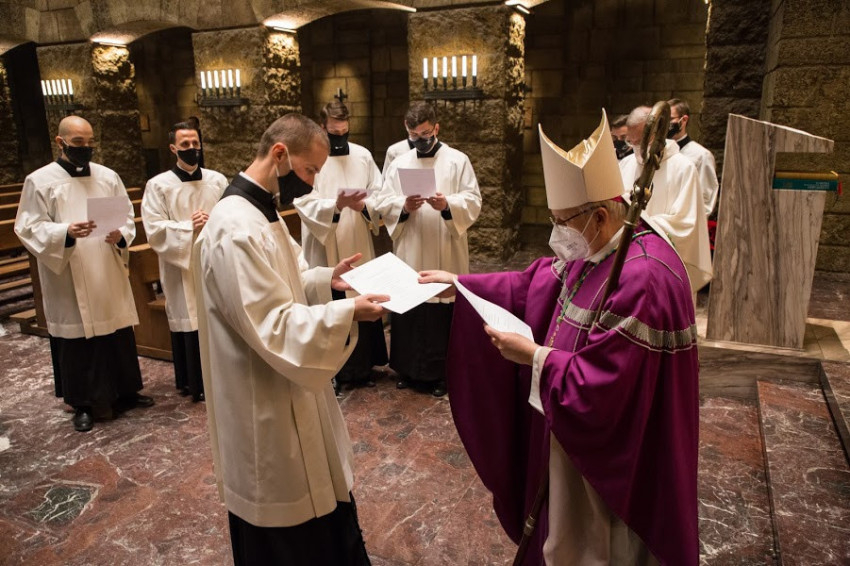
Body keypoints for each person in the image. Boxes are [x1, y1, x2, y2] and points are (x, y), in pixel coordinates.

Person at [419, 110, 699, 565]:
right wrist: (461, 284)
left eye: (561, 221)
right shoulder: (596, 247)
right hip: (565, 442)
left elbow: (611, 390)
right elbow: (533, 284)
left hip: (609, 470)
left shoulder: (644, 278)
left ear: (601, 215)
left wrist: (535, 358)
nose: (556, 233)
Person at [193, 113, 388, 565]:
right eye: (309, 169)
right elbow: (271, 323)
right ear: (279, 153)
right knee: (285, 509)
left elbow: (289, 277)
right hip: (262, 393)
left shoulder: (260, 211)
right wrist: (348, 312)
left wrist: (328, 279)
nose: (313, 181)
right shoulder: (234, 226)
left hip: (289, 386)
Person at [15, 115, 153, 432]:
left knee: (116, 331)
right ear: (60, 142)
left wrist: (120, 235)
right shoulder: (39, 181)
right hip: (68, 270)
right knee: (77, 340)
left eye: (90, 142)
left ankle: (126, 391)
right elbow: (28, 226)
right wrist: (65, 231)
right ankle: (83, 403)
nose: (86, 148)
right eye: (78, 143)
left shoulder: (107, 176)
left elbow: (126, 217)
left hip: (105, 266)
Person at [375, 101, 481, 397]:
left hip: (445, 246)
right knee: (411, 306)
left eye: (425, 134)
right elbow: (384, 200)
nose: (420, 140)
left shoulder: (458, 160)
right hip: (411, 246)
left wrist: (447, 204)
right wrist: (403, 206)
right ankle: (408, 370)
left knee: (440, 310)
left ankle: (441, 374)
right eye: (414, 136)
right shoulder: (399, 163)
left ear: (436, 128)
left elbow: (473, 200)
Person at [294, 101, 388, 394]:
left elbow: (381, 194)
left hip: (357, 237)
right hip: (325, 245)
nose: (340, 139)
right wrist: (335, 206)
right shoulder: (309, 158)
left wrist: (364, 205)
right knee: (331, 300)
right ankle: (333, 370)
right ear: (322, 128)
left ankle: (363, 367)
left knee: (360, 294)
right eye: (334, 134)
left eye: (344, 133)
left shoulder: (362, 156)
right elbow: (302, 200)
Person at [141, 121, 227, 402]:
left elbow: (231, 214)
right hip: (181, 264)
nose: (192, 148)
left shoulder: (217, 180)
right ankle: (194, 382)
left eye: (195, 143)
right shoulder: (158, 185)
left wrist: (215, 221)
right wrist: (187, 226)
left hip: (214, 259)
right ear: (173, 148)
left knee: (217, 317)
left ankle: (222, 378)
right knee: (189, 317)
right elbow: (154, 229)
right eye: (185, 144)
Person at [619, 105, 712, 296]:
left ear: (658, 134)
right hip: (626, 264)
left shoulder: (684, 168)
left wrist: (637, 226)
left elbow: (686, 224)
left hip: (663, 267)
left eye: (641, 141)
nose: (636, 148)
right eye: (631, 142)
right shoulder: (626, 164)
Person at [666, 98, 719, 218]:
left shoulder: (701, 155)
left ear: (684, 120)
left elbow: (705, 200)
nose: (665, 124)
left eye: (670, 119)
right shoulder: (658, 152)